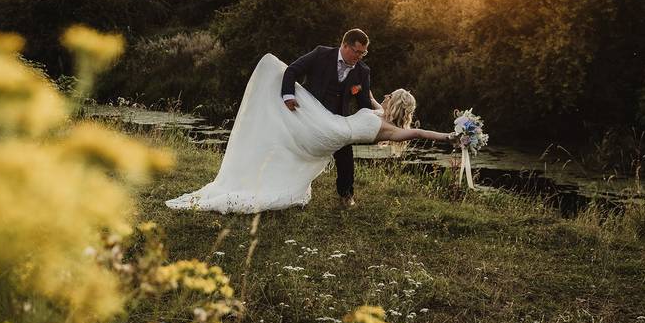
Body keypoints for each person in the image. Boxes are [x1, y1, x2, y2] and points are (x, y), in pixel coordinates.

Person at [165, 53, 455, 214]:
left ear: (397, 105)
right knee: (281, 82)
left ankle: (279, 126)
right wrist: (357, 82)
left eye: (394, 95)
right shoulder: (379, 112)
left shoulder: (392, 131)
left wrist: (450, 137)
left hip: (330, 131)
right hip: (332, 126)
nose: (388, 94)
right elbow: (367, 93)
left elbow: (418, 132)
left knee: (284, 91)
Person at [281, 29, 371, 209]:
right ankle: (285, 189)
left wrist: (372, 123)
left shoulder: (363, 71)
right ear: (345, 45)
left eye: (363, 52)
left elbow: (364, 105)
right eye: (357, 51)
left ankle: (346, 195)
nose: (359, 56)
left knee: (346, 155)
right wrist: (288, 95)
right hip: (309, 116)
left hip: (337, 121)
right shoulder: (321, 54)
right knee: (293, 152)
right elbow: (292, 70)